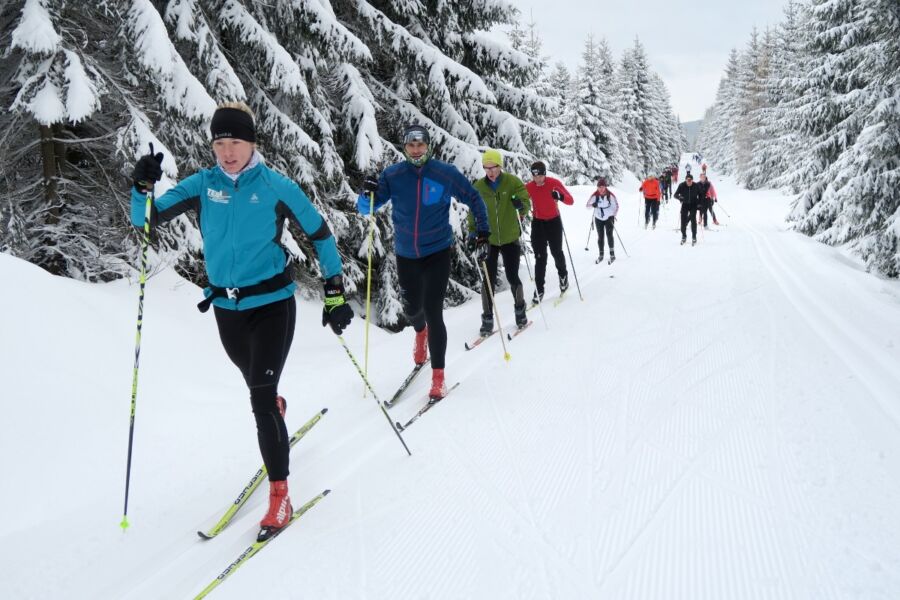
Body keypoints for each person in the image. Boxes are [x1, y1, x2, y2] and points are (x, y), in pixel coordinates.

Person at [129, 102, 354, 542]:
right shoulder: (202, 185)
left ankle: (280, 494)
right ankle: (274, 408)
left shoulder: (275, 185)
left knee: (260, 398)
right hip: (226, 312)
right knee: (258, 388)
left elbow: (320, 232)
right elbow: (148, 224)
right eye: (219, 143)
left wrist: (334, 290)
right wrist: (141, 188)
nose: (227, 152)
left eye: (235, 142)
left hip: (272, 305)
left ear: (252, 143)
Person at [360, 125, 489, 400]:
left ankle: (438, 378)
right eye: (411, 145)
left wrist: (483, 230)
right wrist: (366, 193)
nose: (416, 150)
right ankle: (420, 334)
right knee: (412, 308)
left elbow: (473, 197)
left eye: (421, 145)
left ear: (428, 146)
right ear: (405, 148)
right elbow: (365, 208)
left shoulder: (444, 173)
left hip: (437, 252)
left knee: (433, 309)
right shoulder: (393, 175)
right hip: (406, 254)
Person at [469, 149, 531, 333]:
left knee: (512, 276)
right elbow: (473, 211)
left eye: (493, 167)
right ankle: (487, 319)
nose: (490, 171)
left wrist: (521, 206)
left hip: (510, 237)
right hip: (488, 238)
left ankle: (520, 311)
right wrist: (473, 233)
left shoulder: (512, 182)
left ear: (500, 166)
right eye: (486, 168)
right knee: (488, 279)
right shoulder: (479, 186)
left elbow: (525, 200)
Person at [524, 161, 574, 304]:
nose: (537, 179)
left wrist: (560, 196)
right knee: (540, 257)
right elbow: (520, 199)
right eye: (534, 176)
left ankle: (563, 276)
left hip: (553, 222)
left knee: (556, 252)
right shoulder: (529, 187)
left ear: (544, 174)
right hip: (538, 224)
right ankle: (539, 288)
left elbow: (571, 200)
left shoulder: (553, 183)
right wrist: (517, 203)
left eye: (539, 176)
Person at [587, 177, 618, 263]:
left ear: (605, 187)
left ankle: (612, 254)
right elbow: (587, 206)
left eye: (602, 187)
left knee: (609, 235)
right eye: (599, 187)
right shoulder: (595, 195)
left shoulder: (610, 195)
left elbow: (616, 206)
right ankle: (601, 255)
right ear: (597, 187)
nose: (601, 189)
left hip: (609, 218)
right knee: (600, 236)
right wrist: (593, 205)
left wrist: (612, 215)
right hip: (598, 218)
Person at [673, 172, 704, 245]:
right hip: (685, 205)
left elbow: (701, 195)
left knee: (693, 220)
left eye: (690, 180)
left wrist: (699, 203)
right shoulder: (682, 185)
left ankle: (694, 236)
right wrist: (680, 197)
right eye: (687, 180)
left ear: (692, 180)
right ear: (686, 180)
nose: (689, 181)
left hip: (694, 204)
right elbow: (675, 195)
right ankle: (684, 236)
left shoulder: (696, 186)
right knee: (683, 221)